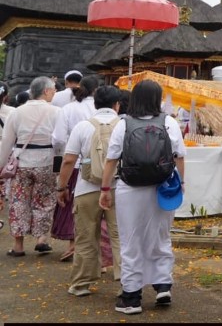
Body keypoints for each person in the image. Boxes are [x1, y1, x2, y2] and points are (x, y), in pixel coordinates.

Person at [98, 79, 186, 315]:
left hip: (131, 188)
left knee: (131, 240)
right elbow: (179, 156)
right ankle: (163, 285)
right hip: (162, 187)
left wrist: (105, 190)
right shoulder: (169, 122)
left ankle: (132, 297)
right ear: (157, 99)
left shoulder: (123, 124)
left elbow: (111, 159)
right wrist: (181, 184)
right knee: (161, 236)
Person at [56, 85, 122, 296]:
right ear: (117, 105)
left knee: (85, 236)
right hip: (117, 189)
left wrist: (62, 187)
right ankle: (127, 283)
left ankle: (81, 283)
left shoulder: (83, 126)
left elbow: (69, 160)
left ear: (95, 104)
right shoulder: (124, 126)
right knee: (120, 237)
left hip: (86, 189)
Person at [0, 76, 61, 257]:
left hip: (22, 161)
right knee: (45, 201)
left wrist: (1, 165)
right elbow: (60, 141)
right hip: (47, 161)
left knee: (19, 201)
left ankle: (18, 245)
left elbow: (7, 141)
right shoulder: (57, 112)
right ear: (46, 91)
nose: (54, 93)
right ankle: (41, 239)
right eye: (53, 90)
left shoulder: (17, 112)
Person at [51, 74, 101, 262]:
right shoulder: (99, 110)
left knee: (72, 203)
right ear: (96, 90)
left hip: (74, 161)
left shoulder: (69, 109)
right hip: (99, 163)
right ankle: (92, 247)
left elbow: (58, 138)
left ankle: (73, 243)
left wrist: (64, 150)